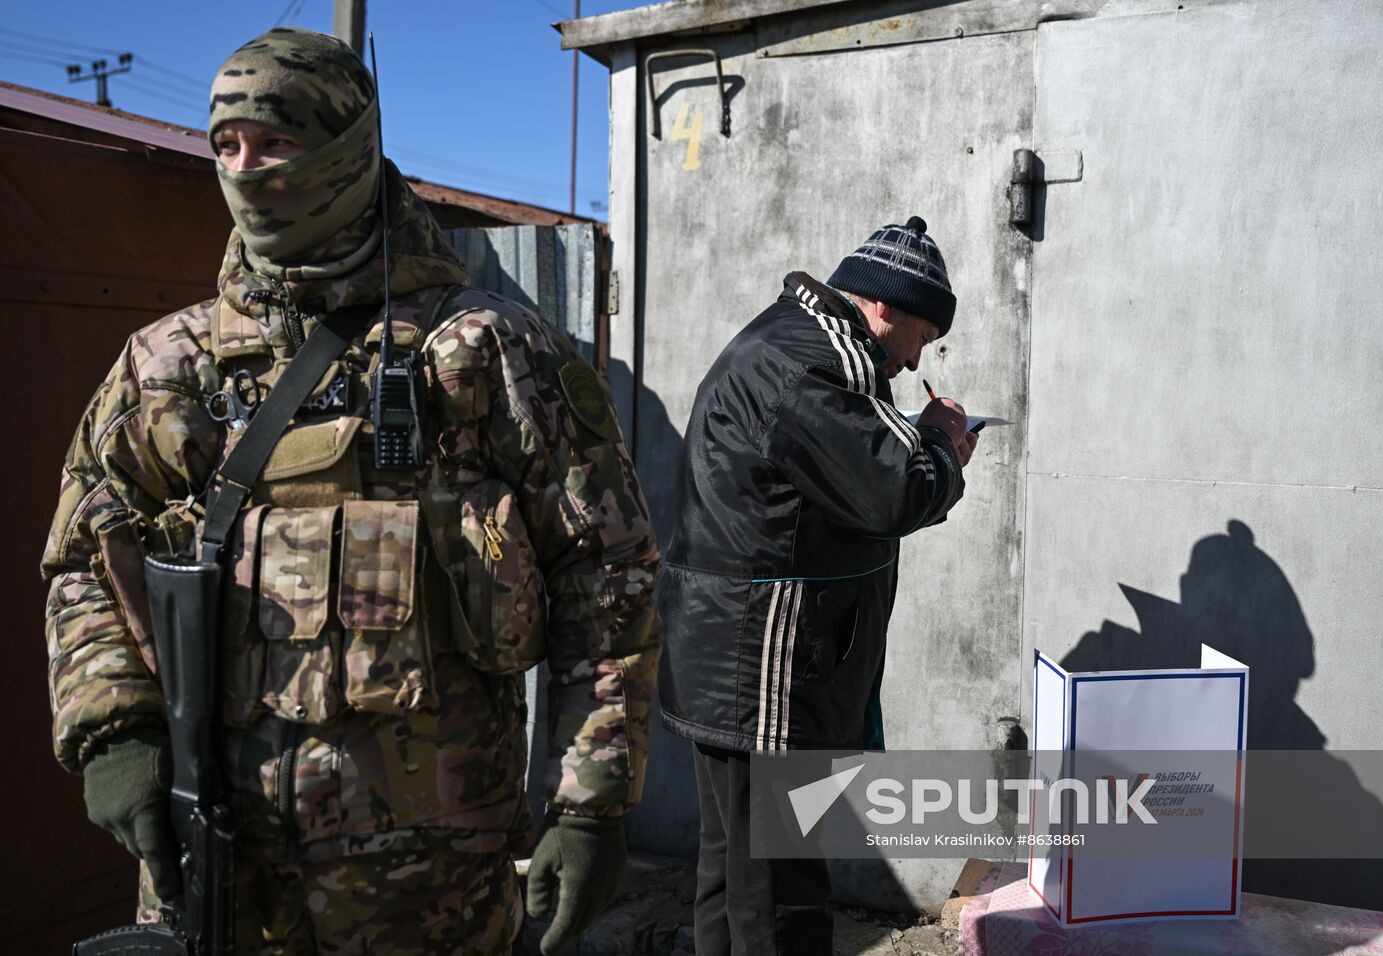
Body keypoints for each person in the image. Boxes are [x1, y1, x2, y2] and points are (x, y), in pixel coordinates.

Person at [41, 27, 660, 954]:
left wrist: (592, 801)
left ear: (349, 149)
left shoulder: (486, 350)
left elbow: (607, 573)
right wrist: (114, 732)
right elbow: (85, 556)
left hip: (430, 878)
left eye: (278, 142)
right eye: (226, 146)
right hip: (216, 855)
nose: (248, 170)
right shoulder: (166, 365)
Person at [655, 217, 977, 955]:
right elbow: (897, 492)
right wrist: (942, 443)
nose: (913, 359)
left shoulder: (789, 341)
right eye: (921, 338)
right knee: (781, 897)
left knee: (733, 878)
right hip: (766, 678)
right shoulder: (816, 364)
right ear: (885, 307)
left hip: (734, 668)